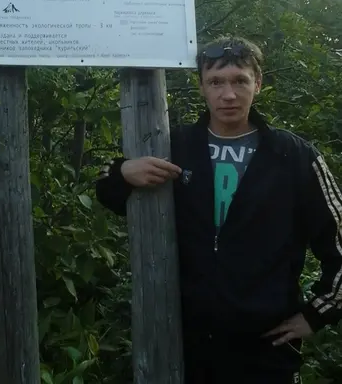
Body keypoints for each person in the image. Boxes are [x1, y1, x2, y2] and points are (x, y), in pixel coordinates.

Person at [95, 36, 342, 384]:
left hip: (266, 352)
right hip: (182, 344)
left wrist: (316, 315)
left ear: (257, 83)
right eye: (215, 82)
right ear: (201, 87)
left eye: (240, 81)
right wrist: (122, 172)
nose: (228, 94)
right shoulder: (174, 146)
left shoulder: (292, 156)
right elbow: (108, 193)